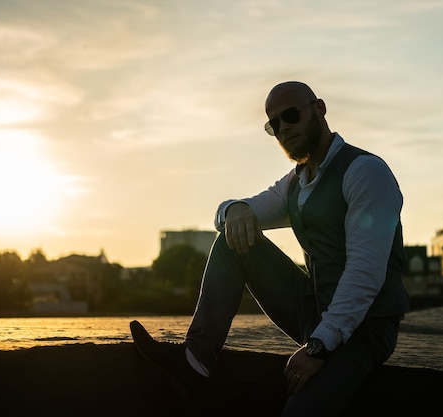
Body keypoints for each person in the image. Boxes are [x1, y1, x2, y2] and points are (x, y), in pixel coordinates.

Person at [130, 80, 410, 416]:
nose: (283, 128)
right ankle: (194, 361)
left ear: (319, 109)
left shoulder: (365, 172)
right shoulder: (298, 181)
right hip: (314, 311)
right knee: (234, 242)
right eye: (273, 124)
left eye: (291, 116)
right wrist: (232, 209)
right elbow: (237, 212)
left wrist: (318, 347)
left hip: (365, 328)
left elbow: (365, 274)